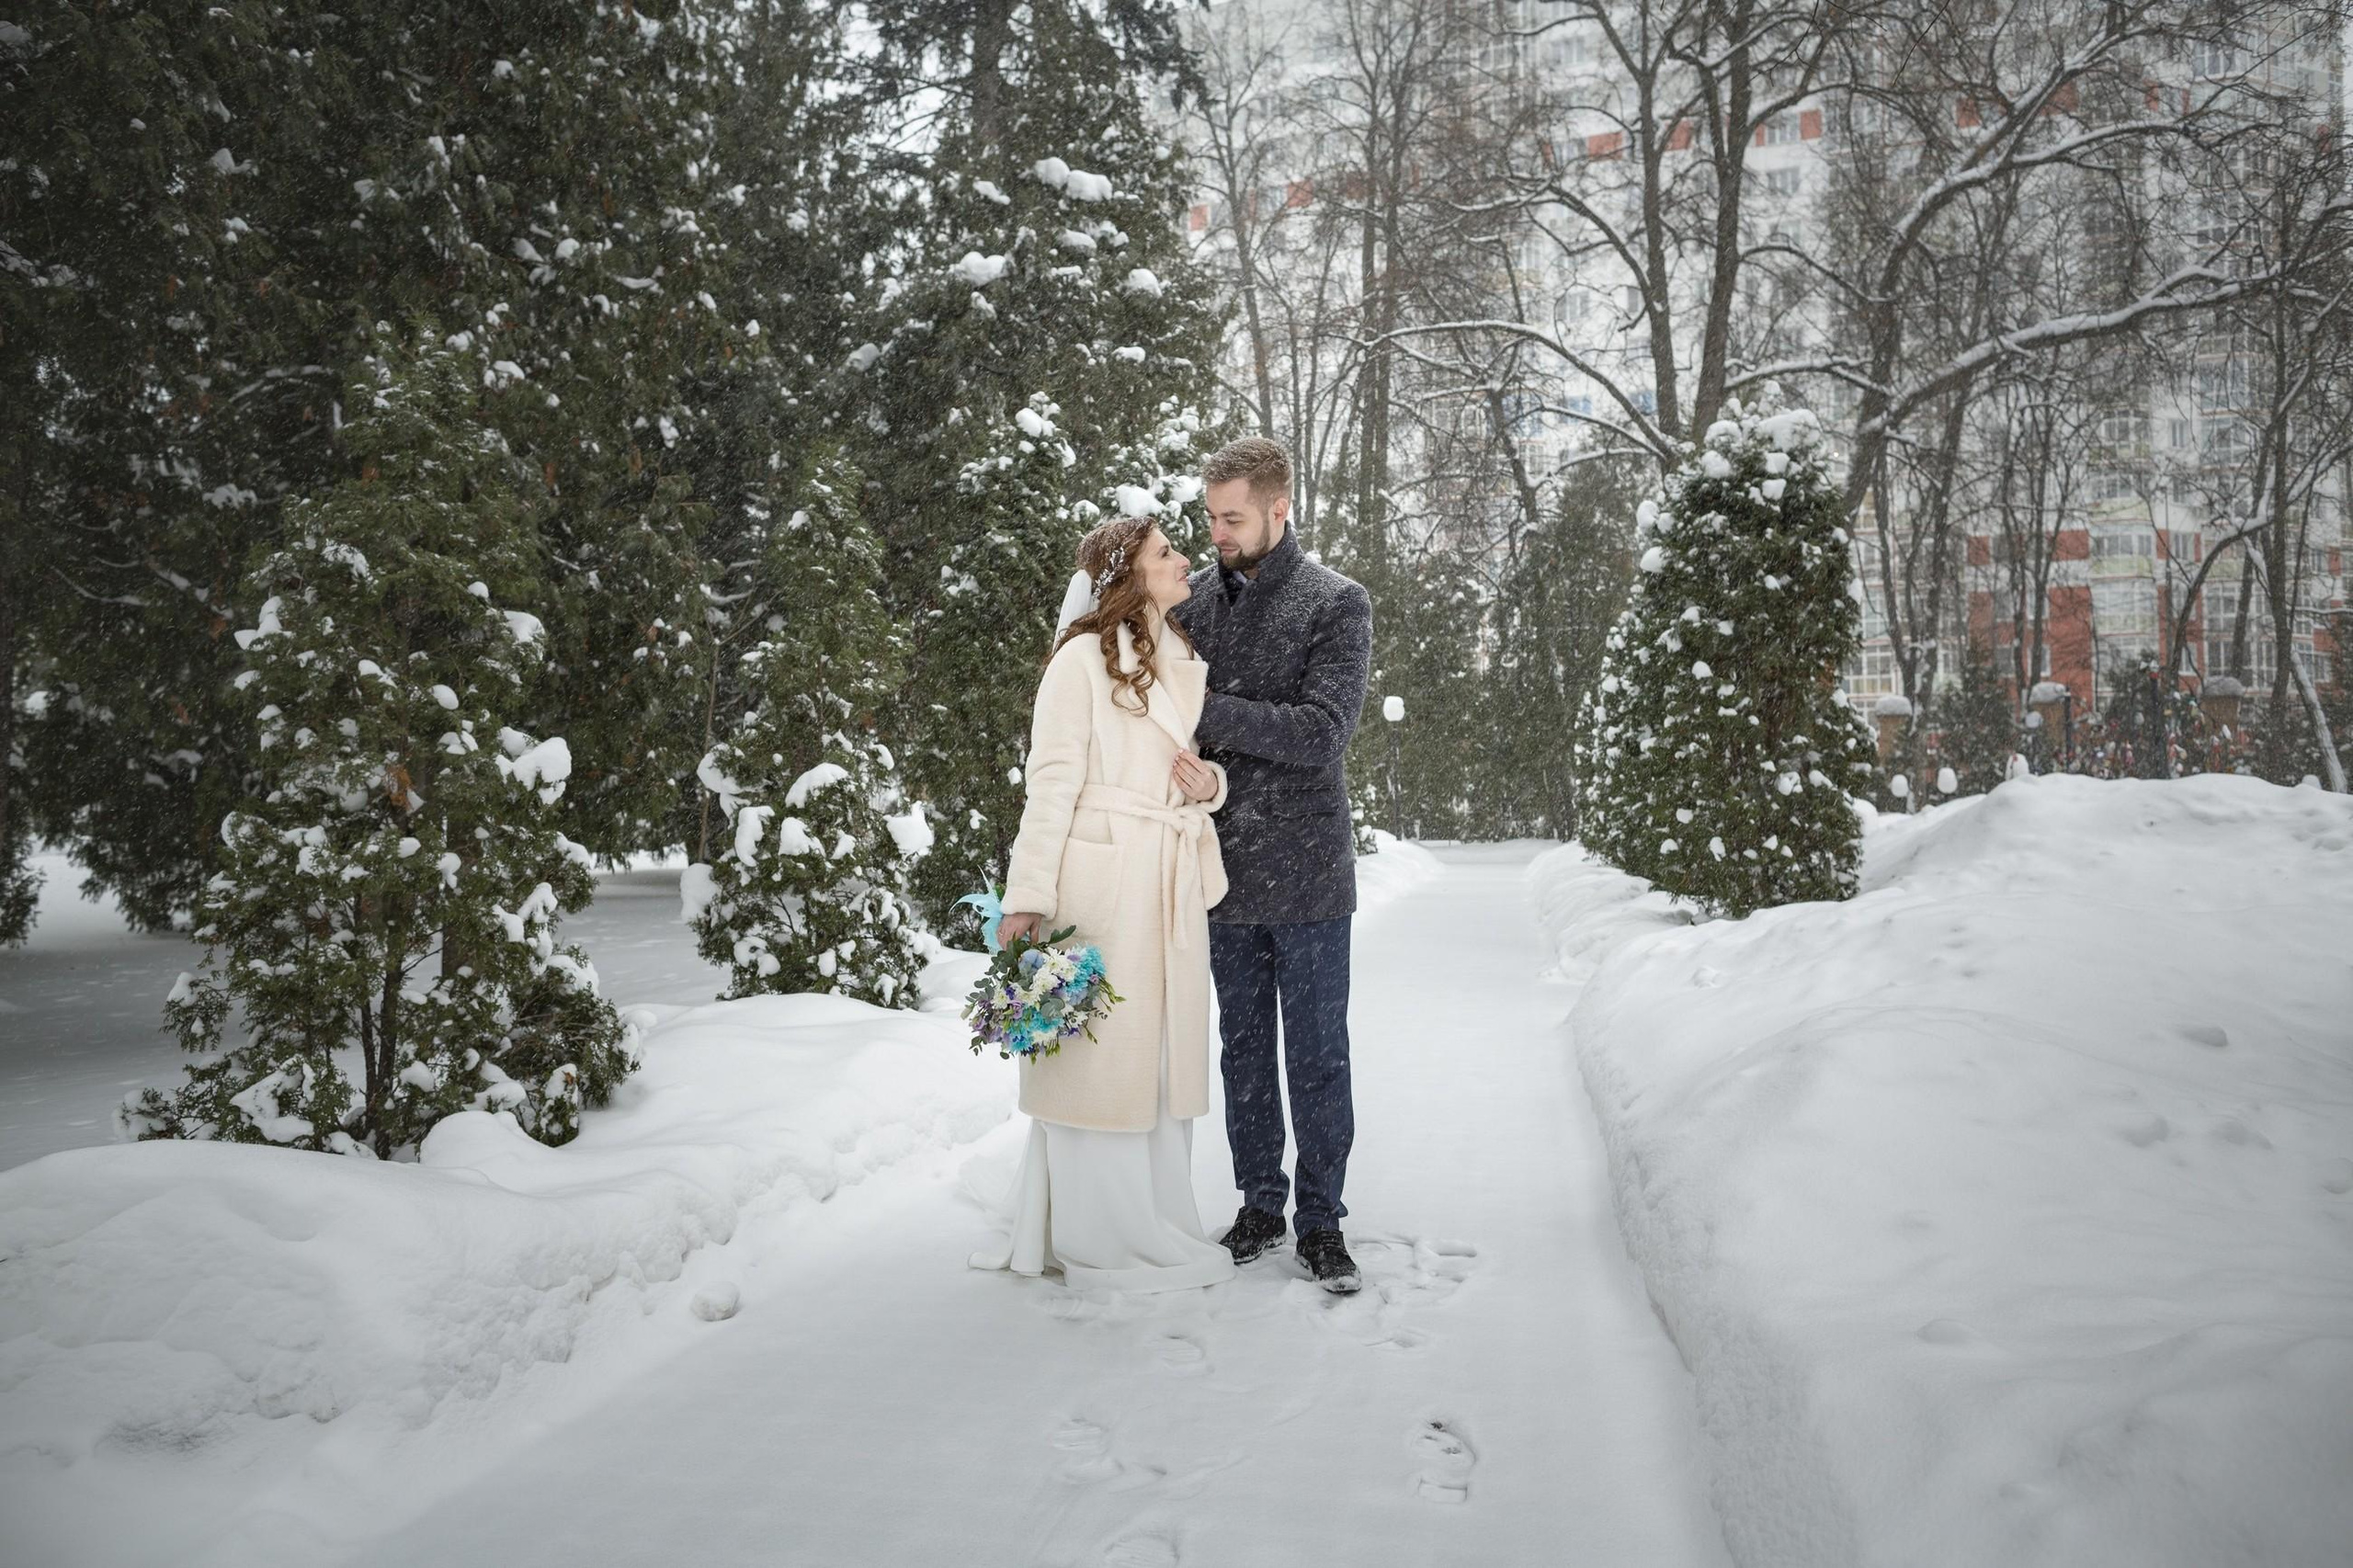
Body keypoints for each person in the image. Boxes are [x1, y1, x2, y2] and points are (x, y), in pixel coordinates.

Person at [968, 516, 1238, 1292]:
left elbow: (1192, 767)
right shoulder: (1079, 662)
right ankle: (1099, 1230)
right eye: (1165, 553)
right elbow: (1050, 786)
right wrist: (1027, 898)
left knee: (1156, 1060)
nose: (1185, 559)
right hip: (1105, 884)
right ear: (1127, 575)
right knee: (1100, 1055)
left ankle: (1155, 1216)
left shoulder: (1182, 658)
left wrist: (1210, 787)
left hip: (1167, 876)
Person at [1172, 437, 1373, 1294]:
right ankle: (1260, 1203)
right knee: (1243, 1052)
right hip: (1222, 871)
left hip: (1310, 867)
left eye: (1231, 517)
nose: (1215, 531)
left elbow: (1322, 732)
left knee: (1318, 1053)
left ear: (1278, 510)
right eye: (1210, 515)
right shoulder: (1191, 609)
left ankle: (1322, 1220)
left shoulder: (1336, 603)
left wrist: (1204, 706)